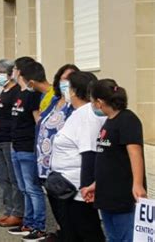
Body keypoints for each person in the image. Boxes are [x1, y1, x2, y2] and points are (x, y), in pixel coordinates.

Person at [82, 79, 146, 241]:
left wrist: (137, 184)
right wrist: (96, 184)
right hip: (106, 193)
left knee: (126, 236)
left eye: (92, 101)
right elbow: (109, 158)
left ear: (100, 102)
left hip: (122, 193)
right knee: (112, 237)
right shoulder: (108, 122)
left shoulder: (127, 120)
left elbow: (135, 153)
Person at [49, 71, 106, 242]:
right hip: (66, 186)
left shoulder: (86, 115)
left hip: (76, 190)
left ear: (74, 91)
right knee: (70, 232)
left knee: (85, 232)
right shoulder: (78, 113)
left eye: (68, 87)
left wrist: (85, 189)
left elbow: (89, 154)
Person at [34, 64, 79, 237]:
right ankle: (61, 231)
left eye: (69, 80)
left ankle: (68, 233)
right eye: (62, 79)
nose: (65, 83)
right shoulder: (54, 101)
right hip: (45, 164)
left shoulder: (74, 106)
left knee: (67, 208)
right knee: (55, 204)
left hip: (64, 166)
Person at [7, 59, 46, 240]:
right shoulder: (19, 93)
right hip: (16, 146)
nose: (12, 72)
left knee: (32, 188)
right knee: (23, 187)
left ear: (20, 72)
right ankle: (28, 222)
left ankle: (39, 226)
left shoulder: (32, 96)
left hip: (27, 147)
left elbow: (38, 121)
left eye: (15, 69)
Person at [0, 59, 24, 227]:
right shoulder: (3, 91)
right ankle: (8, 210)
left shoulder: (15, 91)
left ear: (10, 74)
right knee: (3, 177)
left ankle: (17, 212)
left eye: (1, 72)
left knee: (13, 178)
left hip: (9, 140)